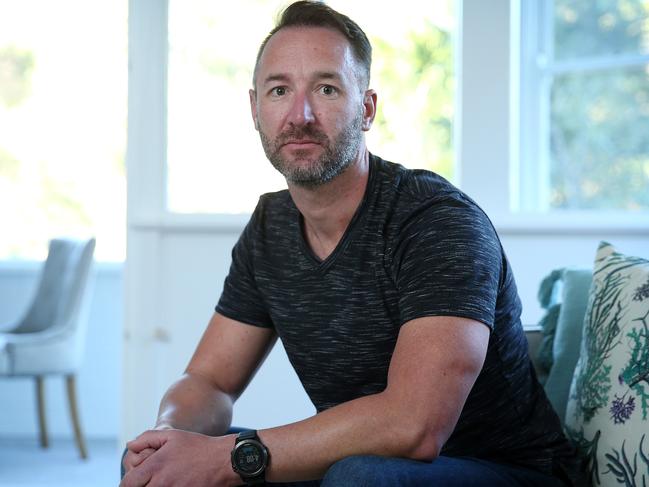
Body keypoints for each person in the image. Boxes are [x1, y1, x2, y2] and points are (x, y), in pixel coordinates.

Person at [120, 2, 584, 486]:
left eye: (326, 88)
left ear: (366, 109)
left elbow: (414, 427)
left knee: (359, 476)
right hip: (365, 467)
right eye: (280, 91)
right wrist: (167, 437)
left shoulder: (437, 223)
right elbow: (208, 382)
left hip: (508, 471)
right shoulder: (270, 227)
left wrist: (226, 459)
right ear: (255, 109)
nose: (300, 115)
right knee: (160, 468)